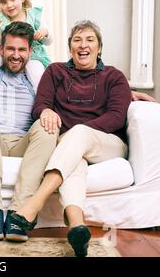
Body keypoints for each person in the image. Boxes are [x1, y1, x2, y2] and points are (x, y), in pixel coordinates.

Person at [9, 20, 132, 257]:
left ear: (99, 47)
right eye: (77, 40)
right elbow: (40, 105)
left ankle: (34, 203)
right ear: (70, 47)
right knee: (74, 162)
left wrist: (72, 134)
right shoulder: (56, 71)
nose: (83, 45)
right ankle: (77, 228)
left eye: (89, 40)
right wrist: (45, 111)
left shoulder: (114, 76)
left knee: (79, 134)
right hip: (71, 149)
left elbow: (116, 117)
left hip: (107, 144)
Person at [0, 20, 59, 242]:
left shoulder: (37, 78)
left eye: (21, 50)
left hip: (23, 143)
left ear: (30, 51)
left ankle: (19, 213)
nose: (15, 55)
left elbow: (62, 98)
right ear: (1, 49)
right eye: (10, 49)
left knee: (48, 126)